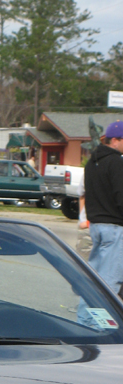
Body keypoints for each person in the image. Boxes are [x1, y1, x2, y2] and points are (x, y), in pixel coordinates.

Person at [83, 120, 123, 295]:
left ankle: (84, 320)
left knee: (94, 282)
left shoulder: (91, 163)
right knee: (109, 284)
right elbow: (120, 195)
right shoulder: (116, 162)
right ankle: (102, 323)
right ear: (114, 140)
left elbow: (87, 193)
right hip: (113, 228)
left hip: (96, 226)